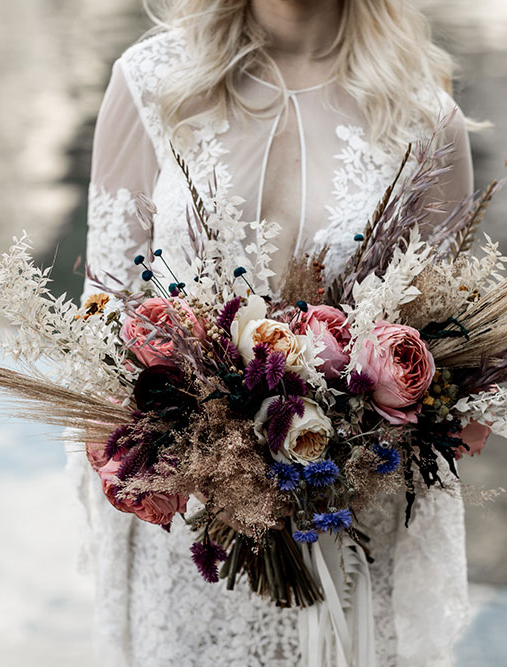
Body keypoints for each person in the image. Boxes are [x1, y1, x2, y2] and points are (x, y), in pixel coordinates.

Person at [67, 1, 476, 665]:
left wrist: (348, 442)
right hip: (192, 529)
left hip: (347, 530)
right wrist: (192, 451)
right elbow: (103, 311)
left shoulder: (424, 117)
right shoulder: (151, 80)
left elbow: (448, 342)